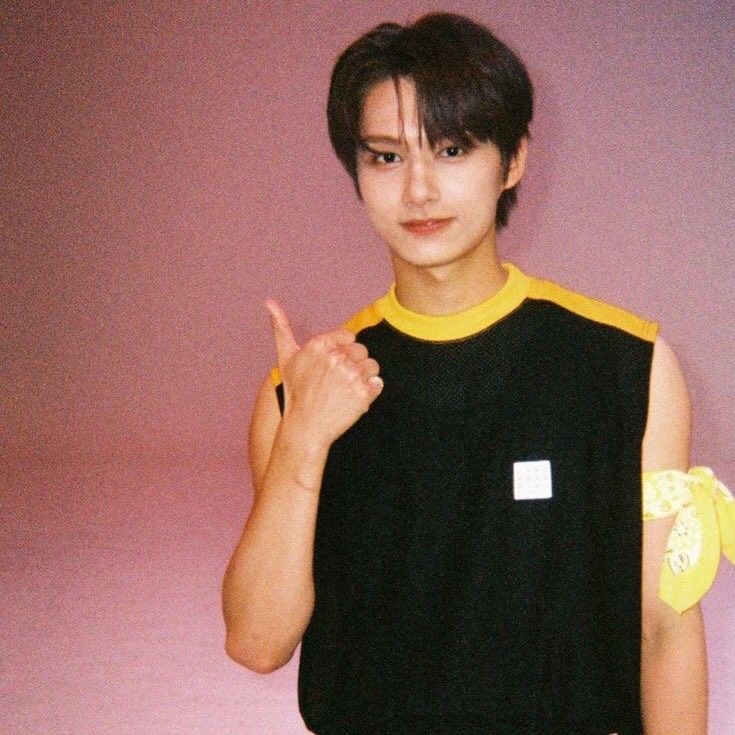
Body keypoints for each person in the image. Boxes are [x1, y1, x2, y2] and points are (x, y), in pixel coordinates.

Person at [223, 12, 733, 734]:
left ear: (514, 159)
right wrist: (303, 440)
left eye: (452, 148)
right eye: (386, 158)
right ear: (356, 172)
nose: (420, 190)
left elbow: (664, 625)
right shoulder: (308, 387)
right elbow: (255, 640)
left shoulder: (623, 366)